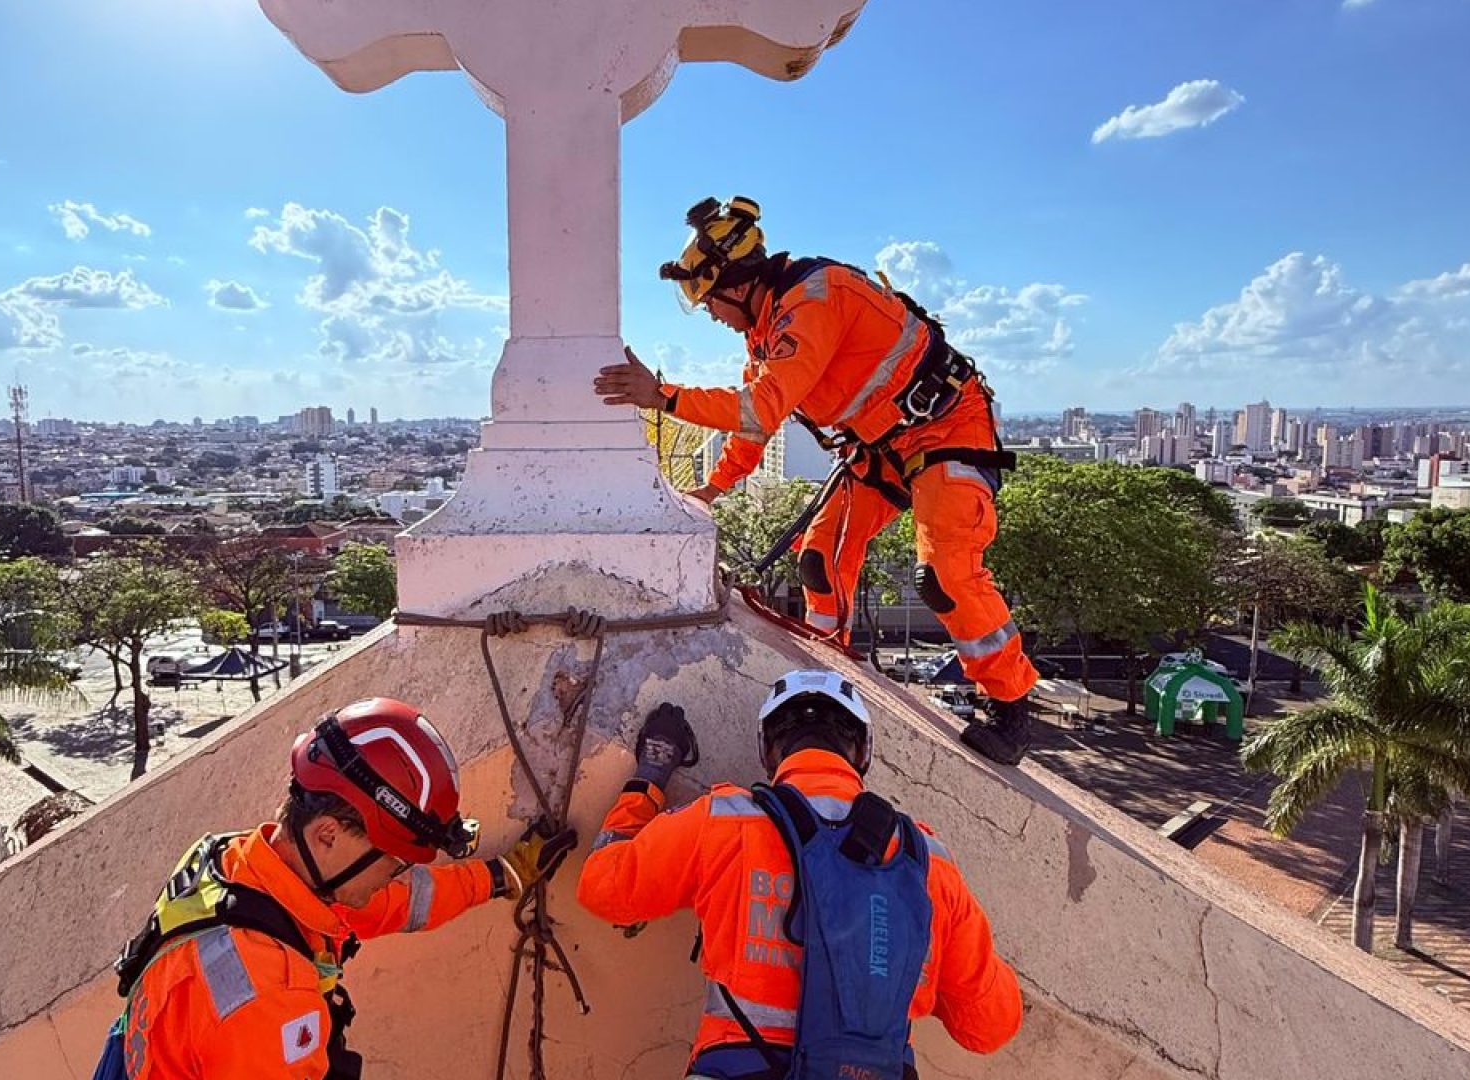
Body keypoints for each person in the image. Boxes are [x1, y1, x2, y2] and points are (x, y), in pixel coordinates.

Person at [594, 197, 1039, 765]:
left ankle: (1011, 704)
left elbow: (763, 408)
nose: (710, 315)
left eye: (710, 302)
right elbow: (753, 428)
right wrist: (711, 490)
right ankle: (831, 660)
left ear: (737, 284)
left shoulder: (815, 299)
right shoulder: (767, 336)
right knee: (819, 560)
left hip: (945, 429)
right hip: (881, 446)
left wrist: (663, 396)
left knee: (946, 574)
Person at [99, 697, 575, 1080]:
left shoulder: (239, 867)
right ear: (328, 833)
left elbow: (395, 902)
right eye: (394, 861)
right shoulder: (269, 1000)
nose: (396, 876)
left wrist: (502, 876)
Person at [577, 672, 1022, 1078]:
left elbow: (603, 890)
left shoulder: (724, 821)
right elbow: (991, 1027)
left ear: (768, 751)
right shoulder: (926, 861)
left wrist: (649, 780)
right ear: (863, 752)